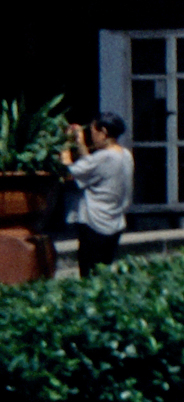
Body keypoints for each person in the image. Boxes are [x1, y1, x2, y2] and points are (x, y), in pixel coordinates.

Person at [61, 113, 132, 278]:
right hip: (114, 221)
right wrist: (80, 144)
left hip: (94, 222)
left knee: (88, 274)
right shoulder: (125, 155)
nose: (92, 137)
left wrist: (65, 145)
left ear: (104, 132)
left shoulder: (104, 157)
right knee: (103, 273)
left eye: (93, 132)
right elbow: (92, 167)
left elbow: (69, 172)